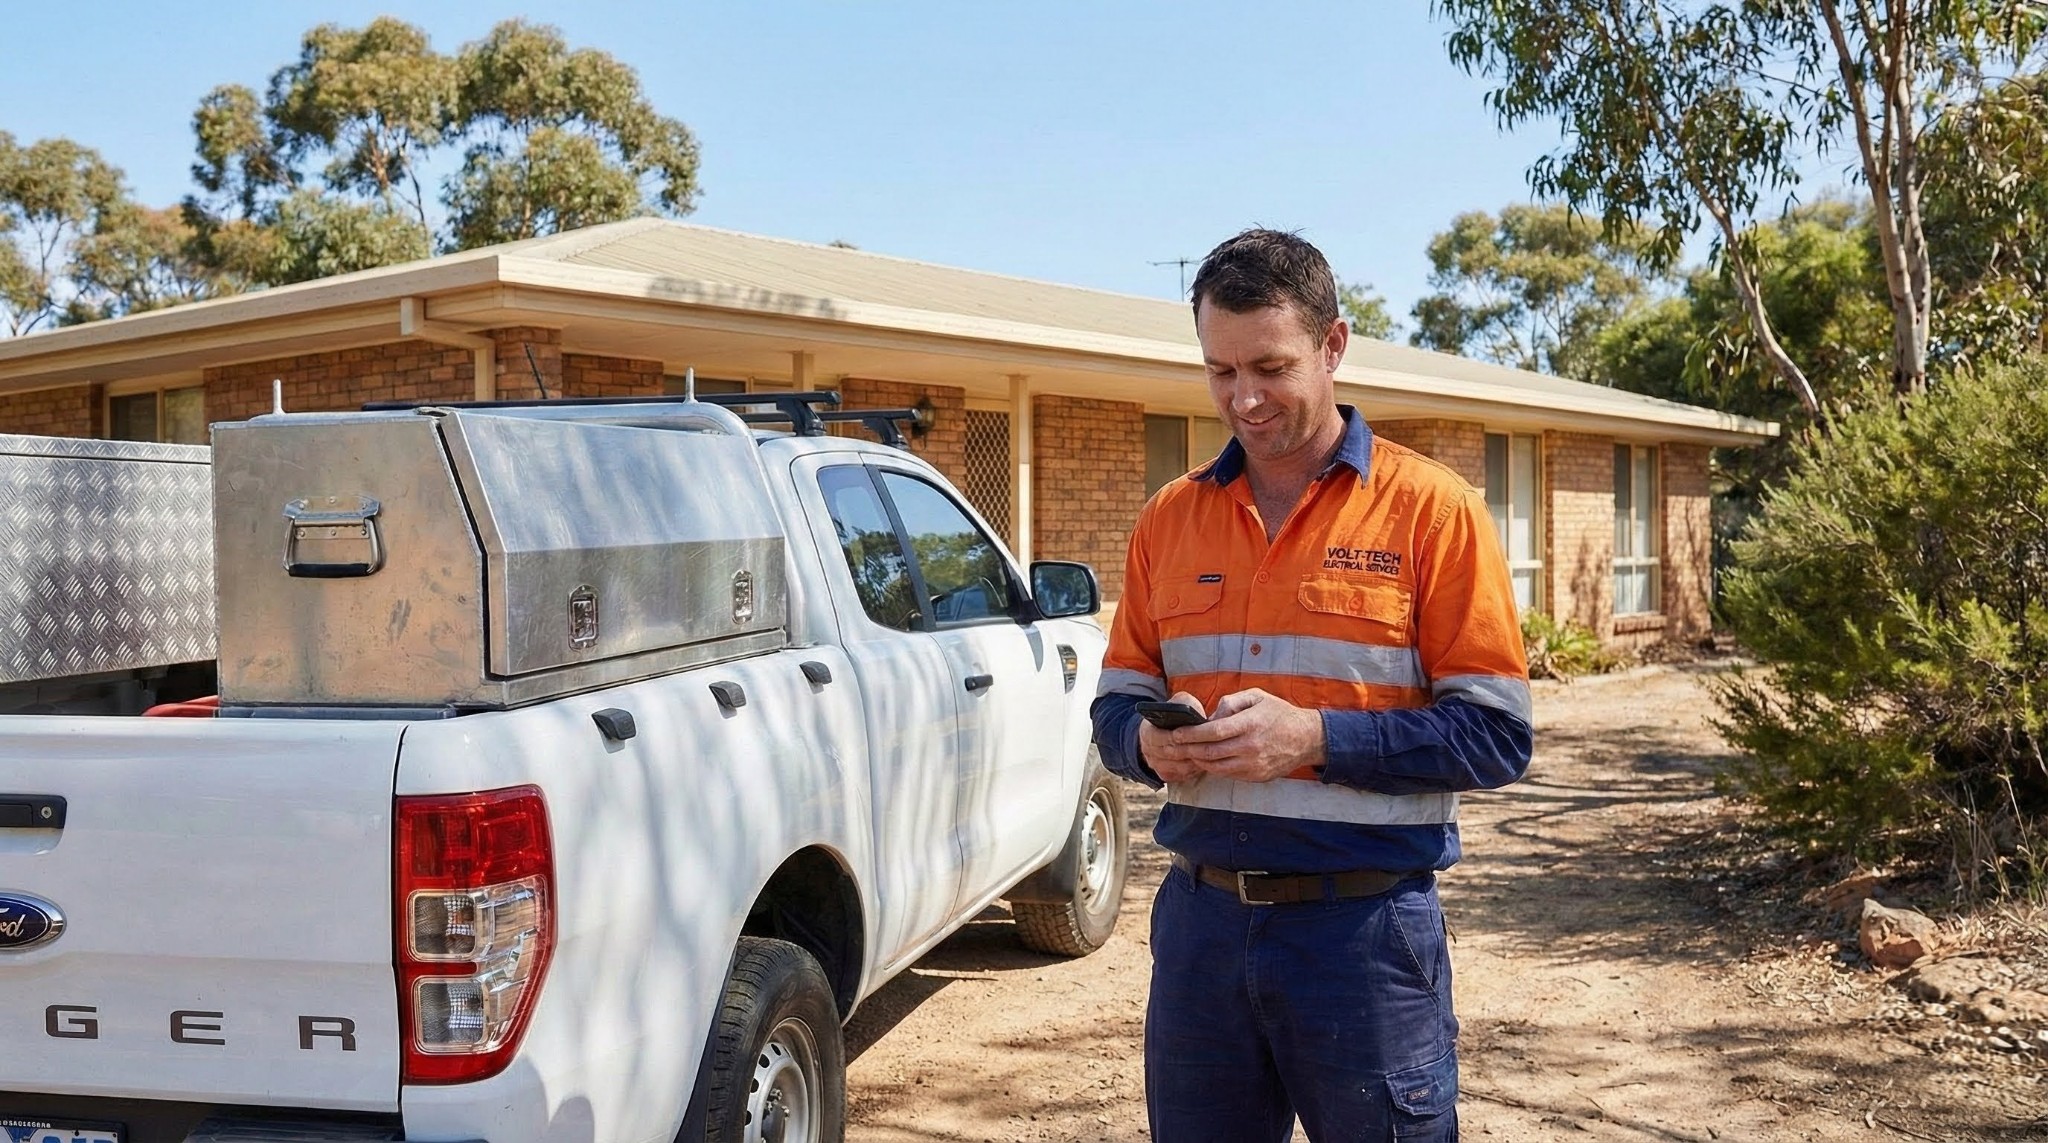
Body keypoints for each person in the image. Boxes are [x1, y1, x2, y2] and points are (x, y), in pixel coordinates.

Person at [1091, 228, 1533, 1142]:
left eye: (1270, 366)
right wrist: (1145, 741)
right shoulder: (1167, 519)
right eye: (1219, 370)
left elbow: (1495, 734)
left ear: (1333, 345)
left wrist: (1317, 740)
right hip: (1199, 932)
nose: (1243, 398)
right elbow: (1113, 708)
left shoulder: (1433, 510)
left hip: (1364, 937)